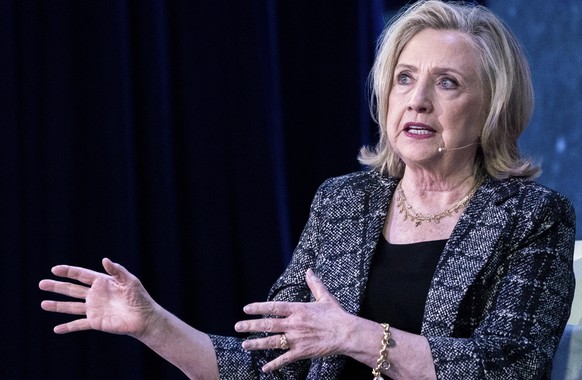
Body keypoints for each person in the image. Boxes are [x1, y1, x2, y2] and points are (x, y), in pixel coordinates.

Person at [39, 1, 576, 379]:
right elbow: (262, 367)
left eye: (448, 82)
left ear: (493, 107)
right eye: (404, 78)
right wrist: (154, 325)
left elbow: (508, 368)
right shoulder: (344, 203)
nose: (417, 101)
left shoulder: (532, 217)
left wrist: (355, 336)